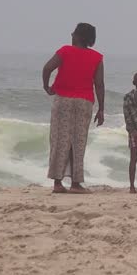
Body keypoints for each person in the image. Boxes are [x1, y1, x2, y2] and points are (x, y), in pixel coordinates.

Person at [41, 22, 105, 194]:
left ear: (78, 36)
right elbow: (99, 84)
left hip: (63, 100)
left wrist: (46, 87)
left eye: (73, 33)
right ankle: (76, 184)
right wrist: (101, 109)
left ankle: (58, 183)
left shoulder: (65, 51)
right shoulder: (97, 57)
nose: (71, 35)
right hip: (84, 102)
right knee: (78, 142)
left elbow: (47, 68)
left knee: (60, 140)